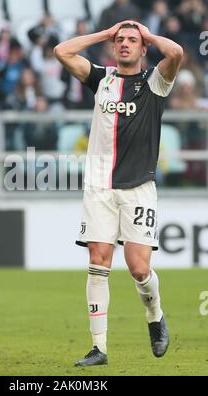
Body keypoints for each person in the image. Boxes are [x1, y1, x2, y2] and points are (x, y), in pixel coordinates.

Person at [54, 20, 183, 366]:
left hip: (139, 188)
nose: (125, 44)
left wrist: (148, 33)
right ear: (114, 46)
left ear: (143, 49)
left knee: (139, 268)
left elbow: (176, 52)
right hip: (99, 186)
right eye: (120, 40)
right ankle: (99, 348)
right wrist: (105, 32)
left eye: (132, 40)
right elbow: (61, 51)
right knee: (98, 261)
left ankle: (154, 314)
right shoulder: (101, 79)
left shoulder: (156, 82)